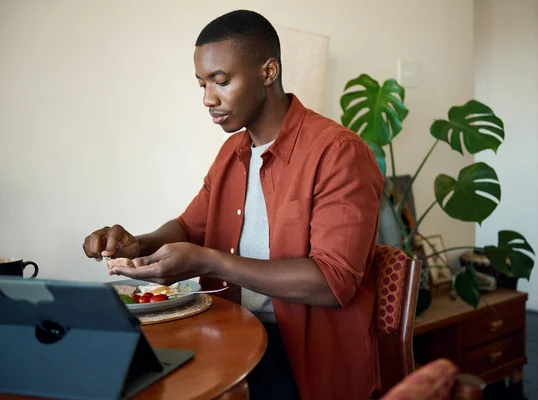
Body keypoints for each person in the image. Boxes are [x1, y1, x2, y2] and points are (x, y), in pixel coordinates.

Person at [83, 10, 383, 400]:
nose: (208, 99)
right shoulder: (232, 152)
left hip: (303, 360)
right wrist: (137, 245)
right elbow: (191, 228)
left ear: (268, 71)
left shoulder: (338, 152)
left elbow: (332, 282)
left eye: (221, 81)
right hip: (231, 332)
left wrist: (210, 262)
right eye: (201, 84)